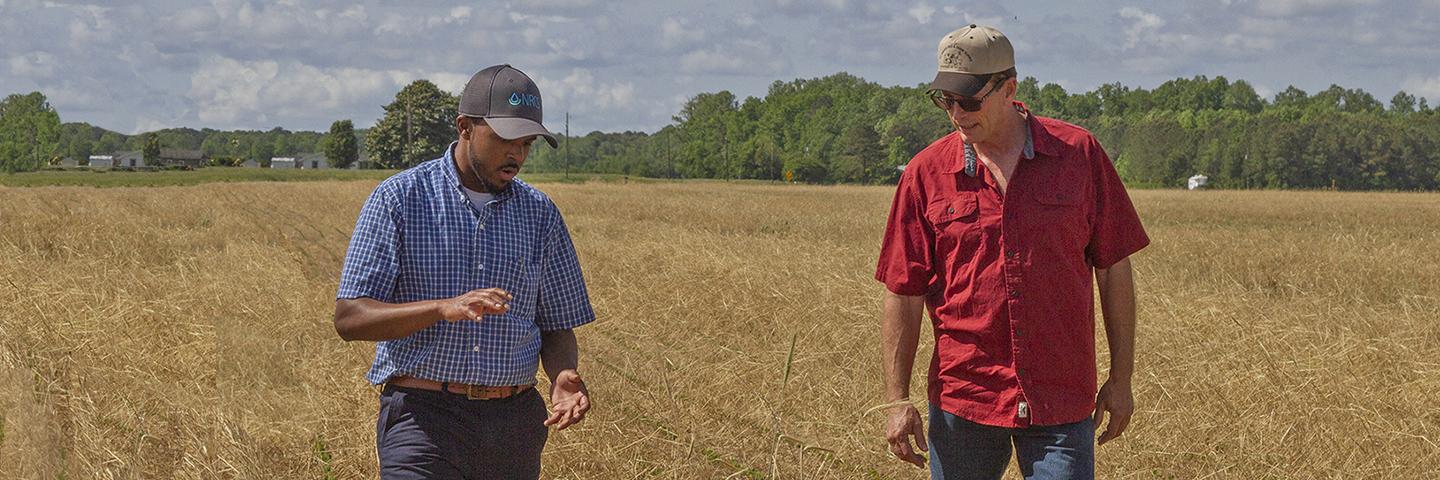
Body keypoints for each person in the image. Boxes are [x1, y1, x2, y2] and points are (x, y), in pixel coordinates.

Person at [876, 25, 1150, 480]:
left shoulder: (1078, 156)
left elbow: (1114, 268)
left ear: (1009, 89)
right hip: (964, 397)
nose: (956, 113)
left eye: (968, 100)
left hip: (1060, 396)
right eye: (945, 100)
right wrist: (897, 400)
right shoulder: (925, 173)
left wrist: (1122, 380)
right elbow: (903, 293)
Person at [334, 64, 595, 479]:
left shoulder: (540, 214)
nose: (518, 155)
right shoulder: (400, 200)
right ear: (466, 127)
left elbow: (557, 325)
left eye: (528, 143)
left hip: (513, 425)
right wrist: (442, 308)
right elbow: (350, 318)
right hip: (423, 419)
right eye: (507, 139)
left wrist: (563, 375)